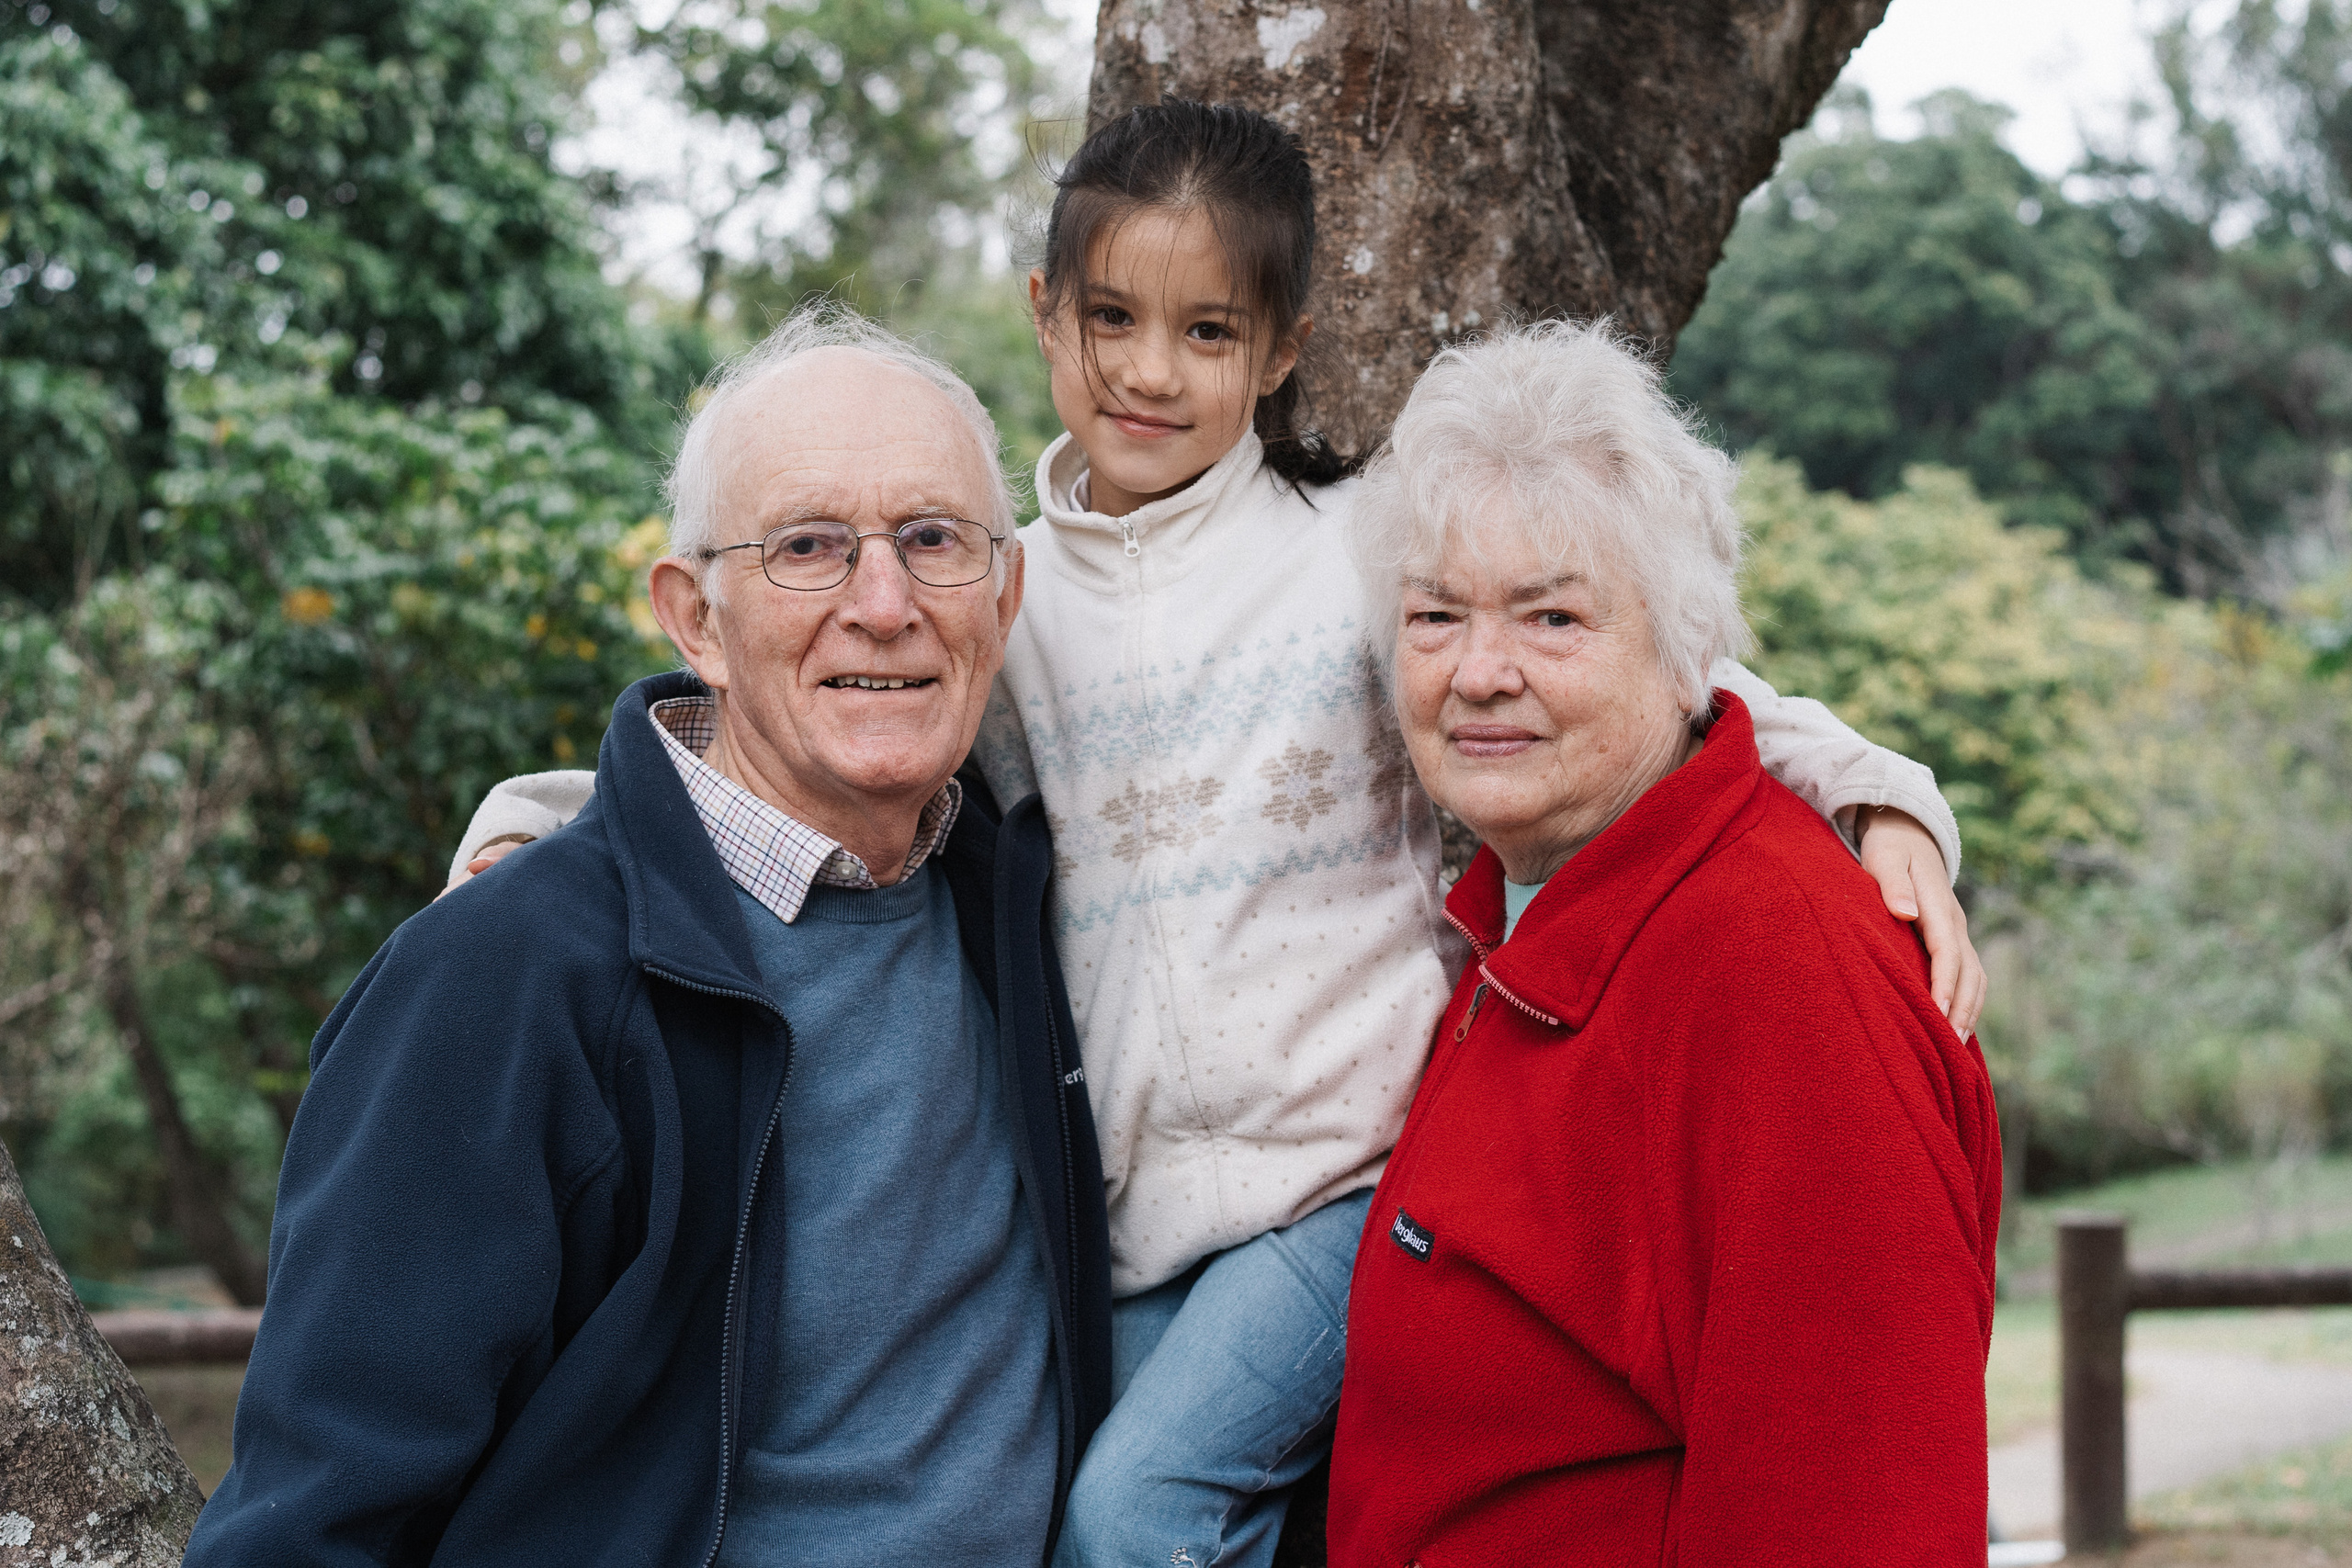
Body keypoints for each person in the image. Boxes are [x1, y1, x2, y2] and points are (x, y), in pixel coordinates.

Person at [447, 101, 1984, 1568]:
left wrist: (1870, 789)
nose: (1152, 373)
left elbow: (1667, 663)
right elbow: (806, 739)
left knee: (1138, 1518)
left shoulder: (1351, 559)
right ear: (1047, 317)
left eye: (1208, 334)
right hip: (1126, 1215)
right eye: (1112, 321)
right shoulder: (1003, 595)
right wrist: (553, 824)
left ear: (1282, 350)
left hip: (1341, 1177)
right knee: (1110, 1513)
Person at [184, 310, 1114, 1565]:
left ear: (1002, 601)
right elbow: (311, 1529)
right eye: (808, 548)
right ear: (695, 619)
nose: (883, 602)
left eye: (934, 539)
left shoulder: (1026, 907)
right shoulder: (495, 984)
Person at [1328, 321, 2003, 1564]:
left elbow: (1855, 1518)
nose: (1481, 671)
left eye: (1552, 619)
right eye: (1434, 617)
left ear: (1694, 651)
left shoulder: (1778, 972)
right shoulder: (1529, 914)